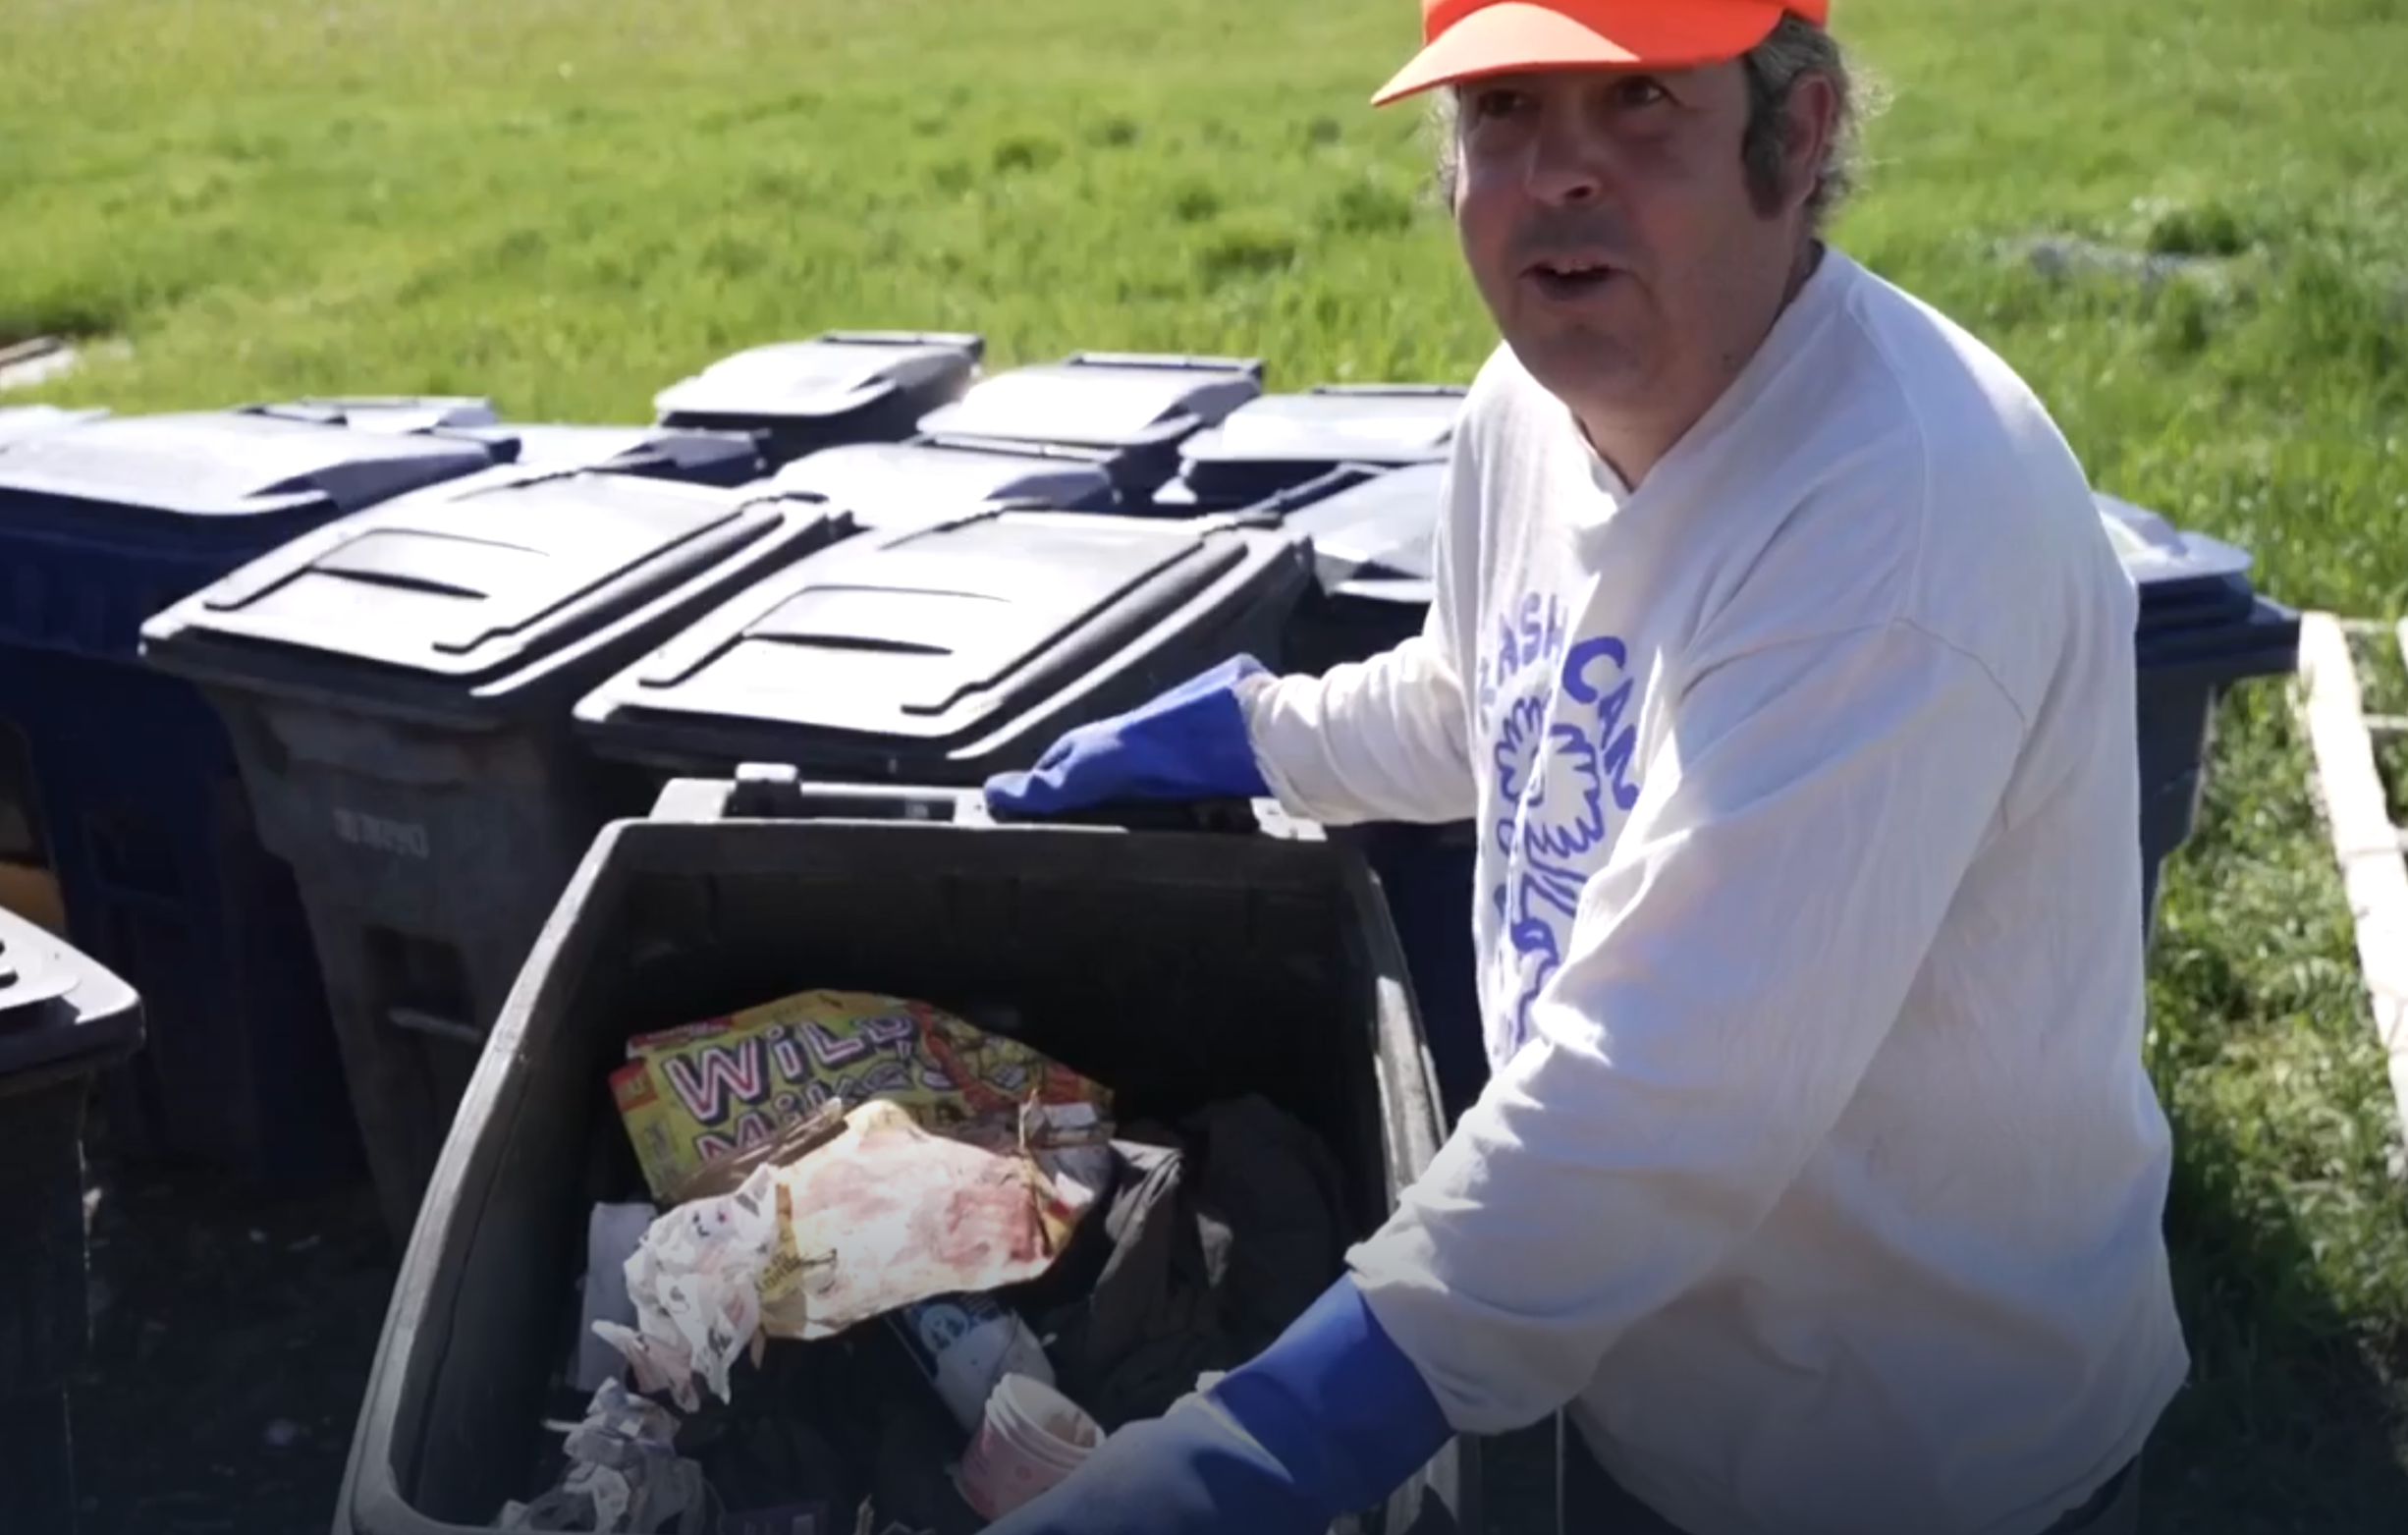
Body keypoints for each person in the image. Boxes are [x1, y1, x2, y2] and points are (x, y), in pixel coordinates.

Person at [976, 2, 2186, 1531]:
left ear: (1794, 137)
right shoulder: (1533, 407)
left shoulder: (1898, 532)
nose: (1558, 173)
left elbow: (1659, 1094)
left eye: (1635, 106)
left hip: (1909, 1443)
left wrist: (1265, 1448)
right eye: (1505, 111)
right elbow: (1491, 698)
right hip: (1627, 1347)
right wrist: (1261, 729)